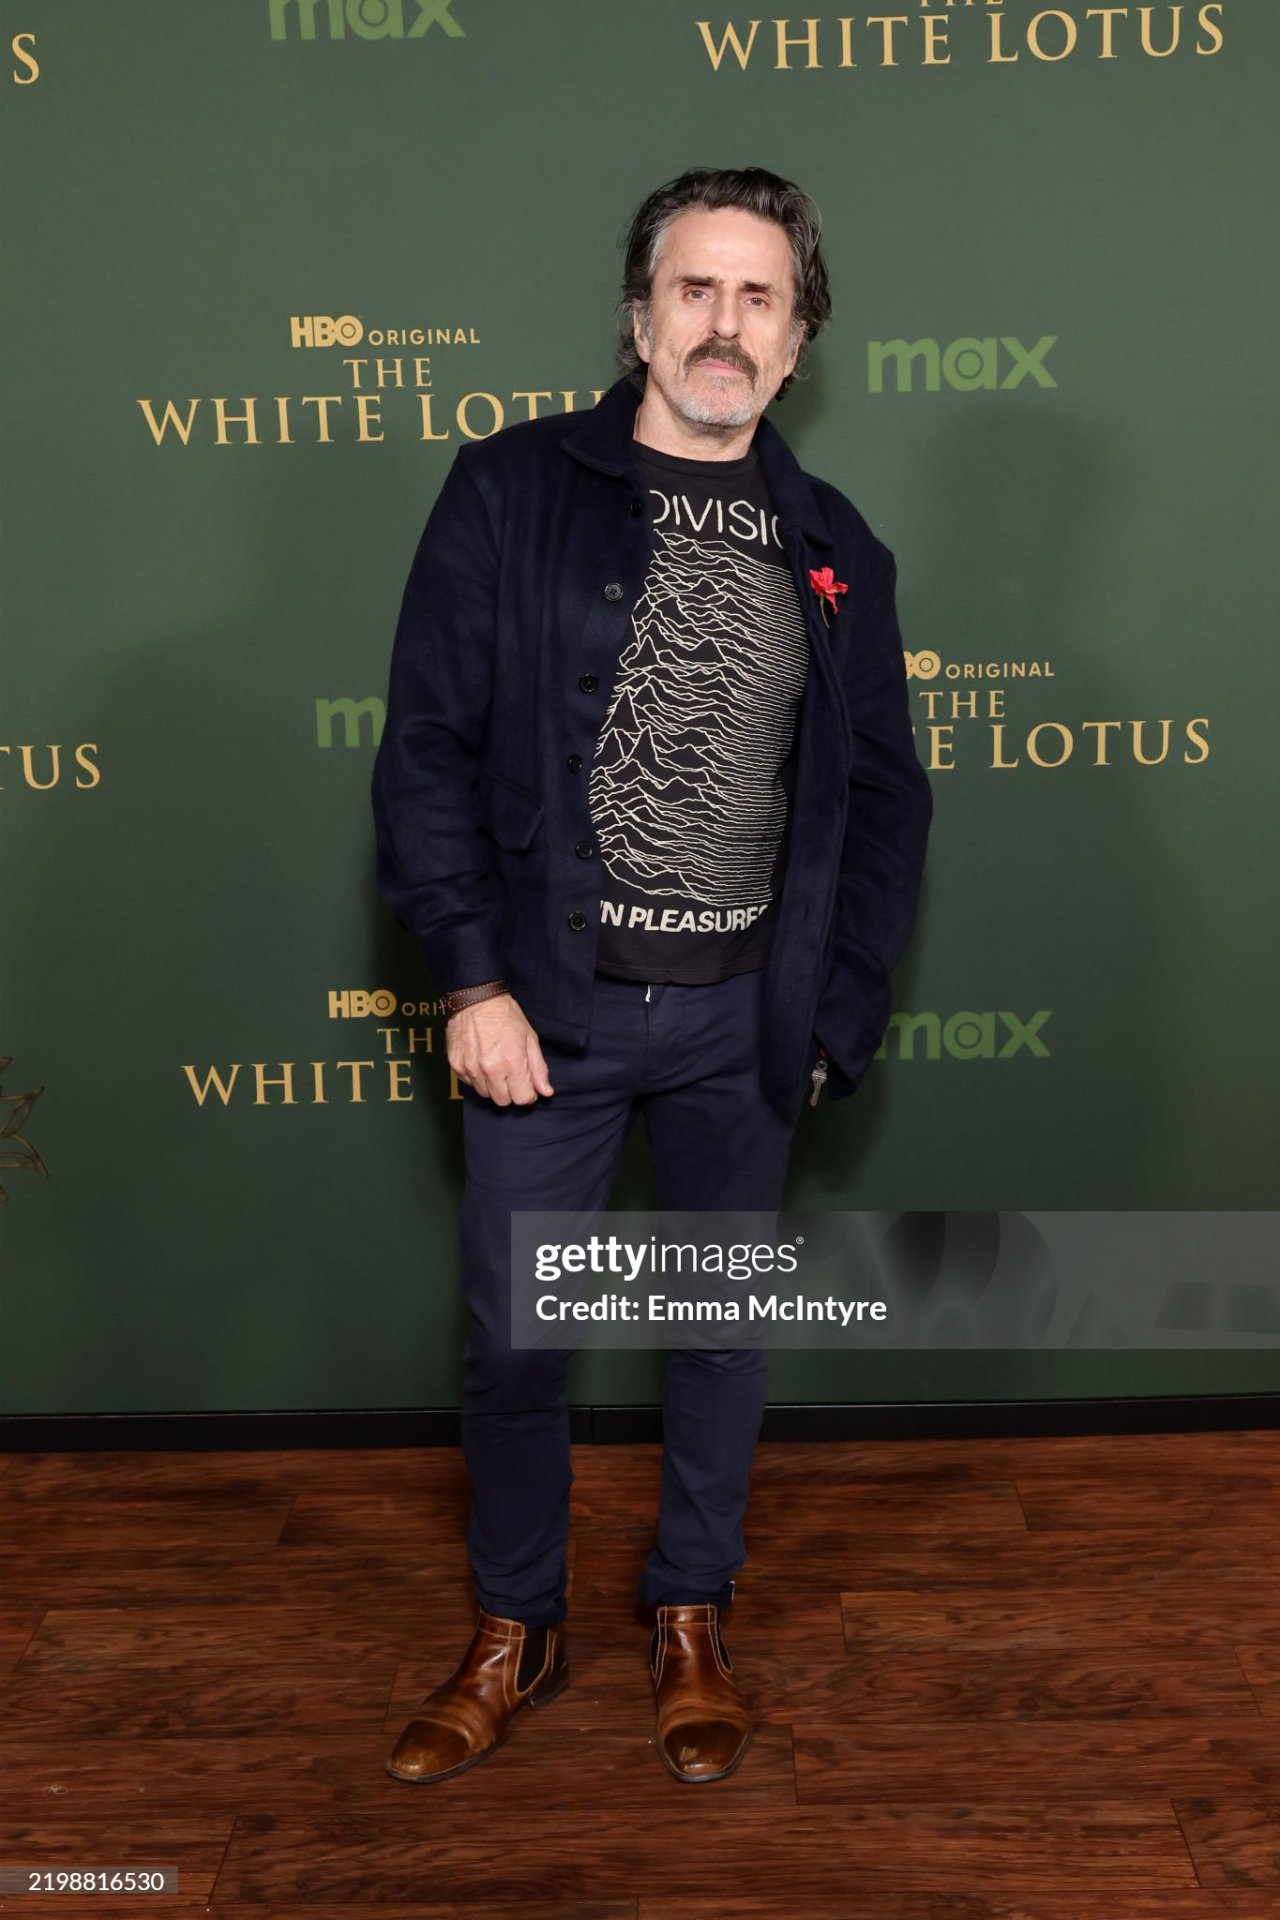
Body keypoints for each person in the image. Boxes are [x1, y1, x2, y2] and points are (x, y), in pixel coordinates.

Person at [371, 166, 932, 1786]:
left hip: (743, 1025)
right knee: (518, 1336)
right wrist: (470, 979)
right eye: (697, 290)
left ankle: (690, 1611)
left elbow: (886, 798)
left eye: (761, 297)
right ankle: (514, 1622)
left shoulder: (837, 546)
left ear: (801, 334)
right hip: (548, 1010)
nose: (725, 325)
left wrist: (833, 1015)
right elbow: (423, 753)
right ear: (639, 316)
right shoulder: (506, 488)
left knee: (715, 1334)